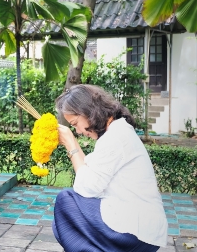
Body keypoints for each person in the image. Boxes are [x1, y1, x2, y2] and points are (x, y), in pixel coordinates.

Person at [52, 84, 167, 252]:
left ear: (88, 111)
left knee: (65, 201)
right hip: (142, 229)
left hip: (137, 231)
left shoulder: (115, 137)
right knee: (61, 225)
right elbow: (90, 174)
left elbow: (87, 188)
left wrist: (71, 144)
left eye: (75, 124)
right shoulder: (116, 131)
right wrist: (73, 144)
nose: (77, 131)